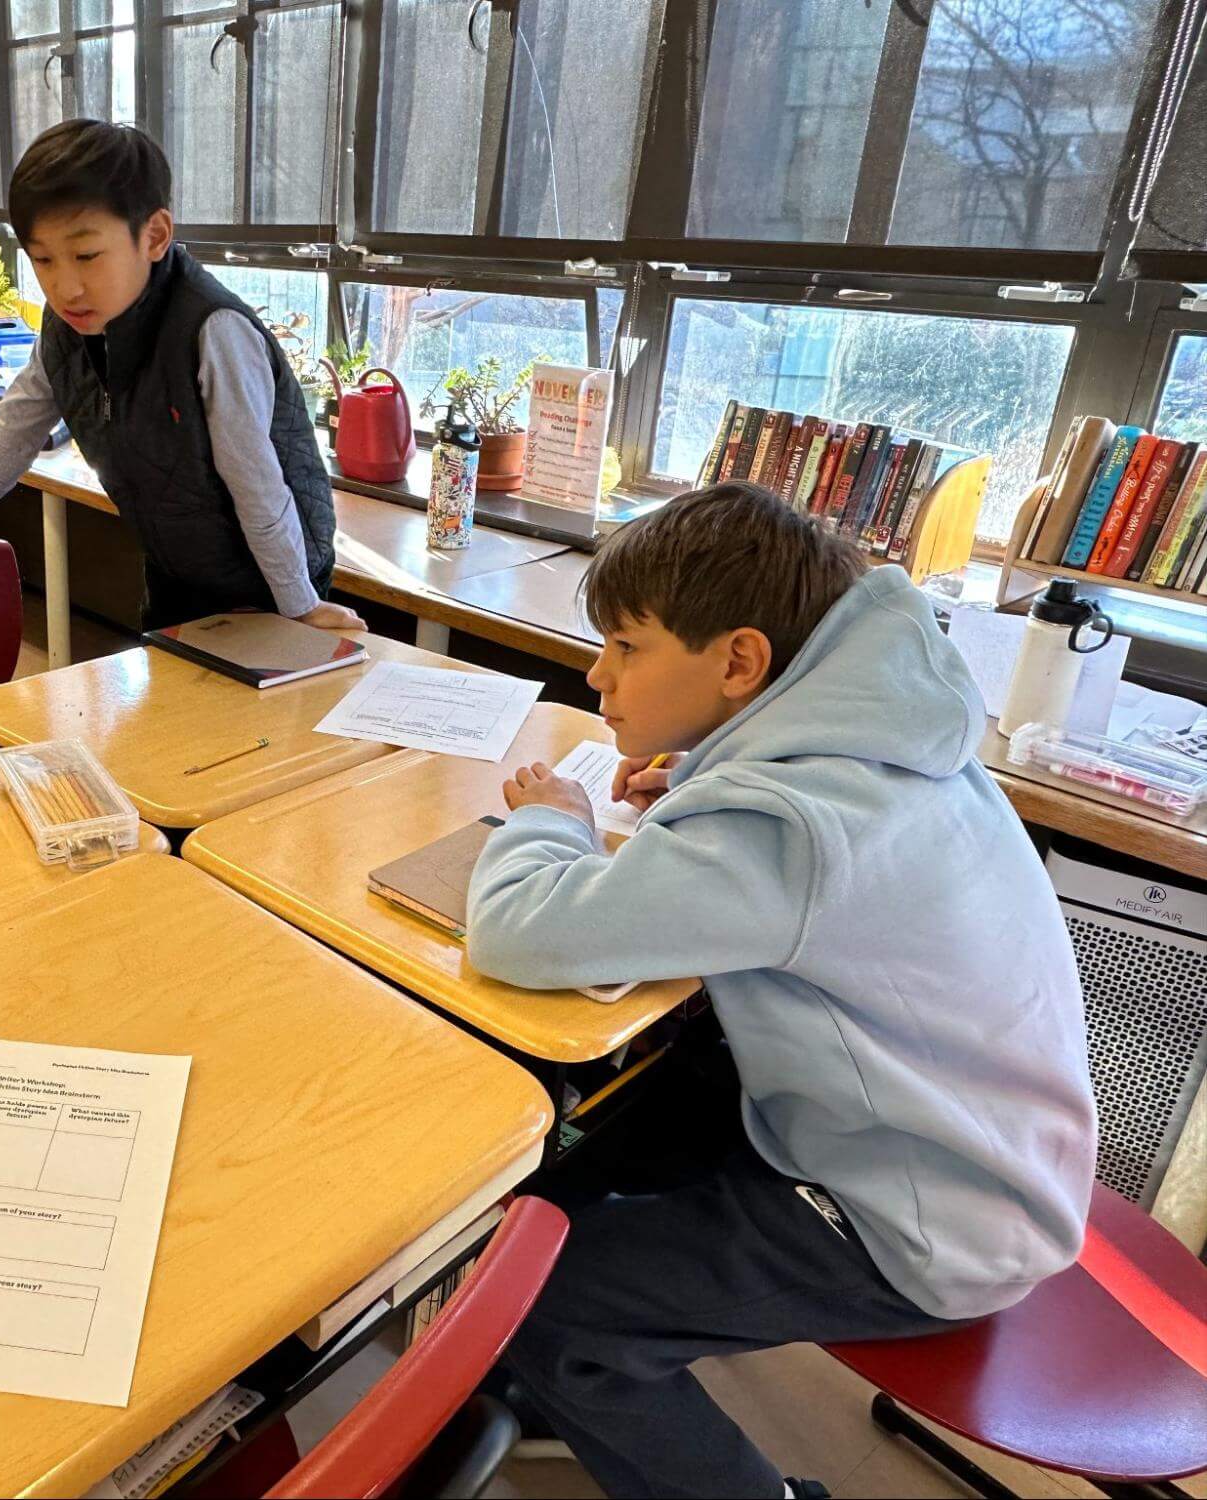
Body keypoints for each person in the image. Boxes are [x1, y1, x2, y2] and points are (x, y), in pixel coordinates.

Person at [464, 482, 1097, 1500]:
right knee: (612, 1123)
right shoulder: (886, 740)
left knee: (554, 1305)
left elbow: (517, 931)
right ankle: (539, 1354)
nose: (596, 675)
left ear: (740, 661)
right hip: (987, 1158)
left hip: (922, 1224)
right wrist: (704, 776)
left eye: (626, 647)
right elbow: (822, 864)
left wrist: (558, 820)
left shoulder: (784, 824)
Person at [0, 119, 361, 633]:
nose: (65, 287)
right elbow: (8, 442)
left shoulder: (213, 330)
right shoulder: (66, 330)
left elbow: (256, 483)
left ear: (154, 236)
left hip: (273, 581)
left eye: (86, 256)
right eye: (43, 260)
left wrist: (299, 605)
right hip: (178, 575)